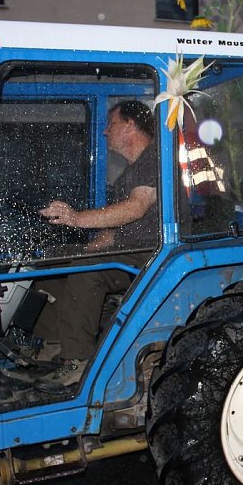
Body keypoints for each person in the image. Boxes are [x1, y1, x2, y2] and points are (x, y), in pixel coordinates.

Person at [32, 100, 159, 390]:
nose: (104, 132)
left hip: (152, 256)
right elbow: (115, 231)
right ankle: (56, 343)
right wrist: (88, 246)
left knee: (87, 269)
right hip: (129, 250)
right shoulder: (130, 172)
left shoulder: (154, 158)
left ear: (129, 126)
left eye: (110, 124)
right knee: (57, 258)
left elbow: (136, 209)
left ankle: (78, 361)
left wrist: (76, 218)